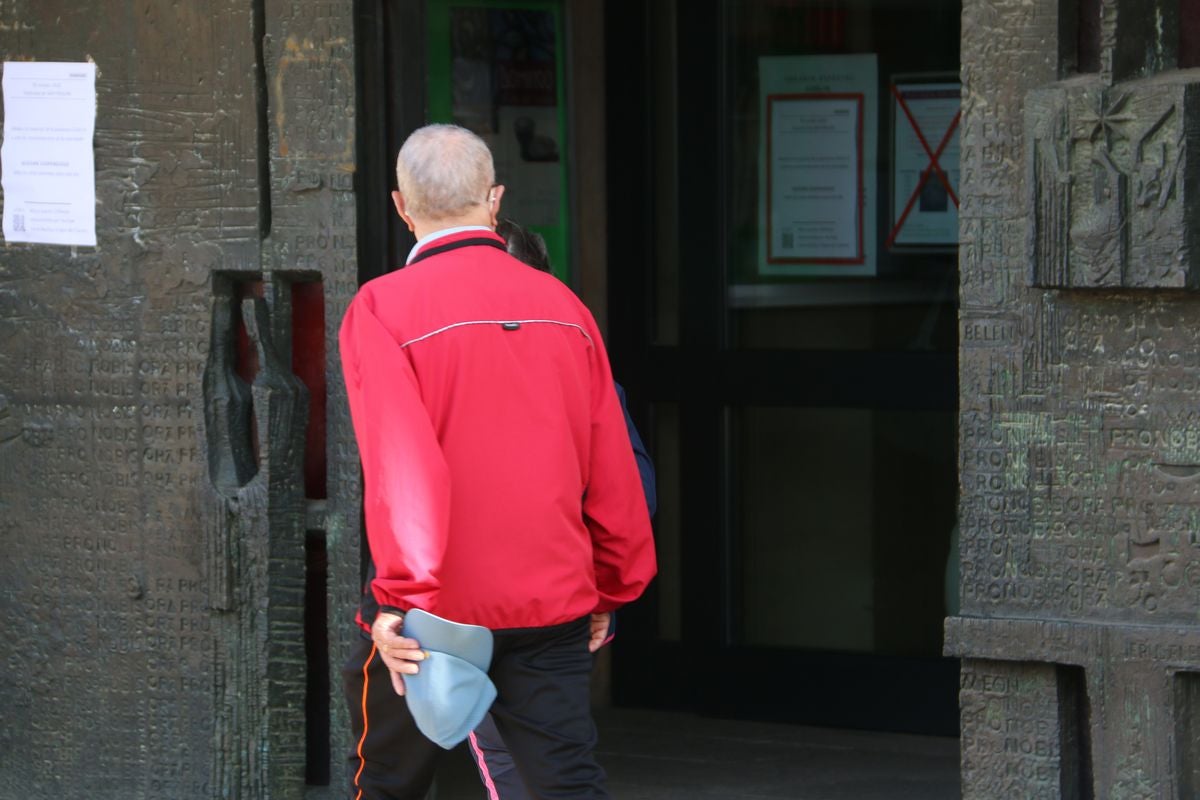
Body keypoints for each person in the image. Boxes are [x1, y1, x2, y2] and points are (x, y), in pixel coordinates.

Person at [338, 123, 657, 800]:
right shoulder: (565, 306)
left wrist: (398, 599)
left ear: (401, 205)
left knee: (389, 782)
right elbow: (610, 460)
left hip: (437, 605)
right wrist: (612, 583)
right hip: (554, 598)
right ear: (495, 199)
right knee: (564, 782)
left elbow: (403, 470)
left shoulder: (382, 308)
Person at [464, 220, 658, 799]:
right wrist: (606, 591)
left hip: (481, 608)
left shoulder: (446, 372)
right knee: (557, 763)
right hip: (568, 603)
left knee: (510, 765)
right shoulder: (582, 366)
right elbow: (634, 493)